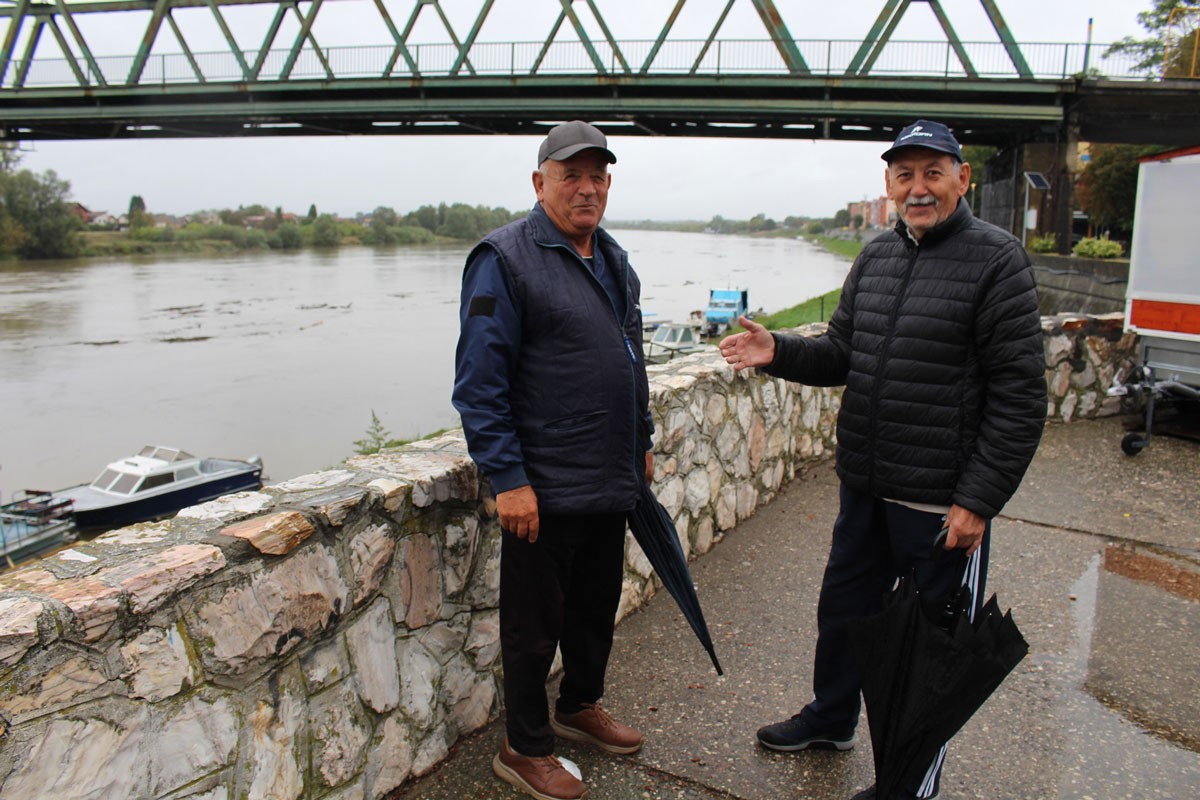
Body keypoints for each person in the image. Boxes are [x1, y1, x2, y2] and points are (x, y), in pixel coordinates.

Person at [720, 119, 1047, 800]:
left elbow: (1021, 396)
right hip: (866, 485)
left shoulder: (997, 260)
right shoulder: (875, 256)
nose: (918, 188)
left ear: (963, 177)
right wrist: (777, 350)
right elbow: (843, 353)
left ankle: (908, 780)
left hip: (938, 501)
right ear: (889, 184)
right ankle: (832, 716)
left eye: (933, 172)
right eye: (905, 174)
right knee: (845, 613)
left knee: (927, 651)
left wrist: (980, 499)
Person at [452, 120, 655, 800]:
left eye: (598, 175)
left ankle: (578, 707)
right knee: (533, 629)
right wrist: (507, 478)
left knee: (595, 609)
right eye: (572, 175)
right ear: (541, 183)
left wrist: (643, 442)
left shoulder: (614, 259)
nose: (587, 187)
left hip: (608, 476)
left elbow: (633, 360)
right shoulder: (503, 259)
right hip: (542, 486)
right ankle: (525, 746)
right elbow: (480, 384)